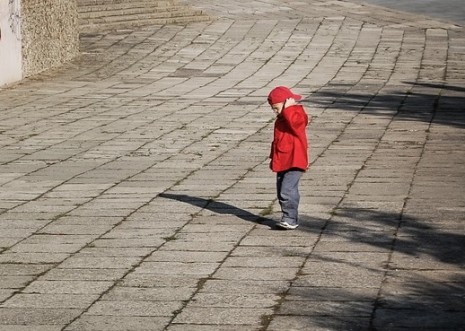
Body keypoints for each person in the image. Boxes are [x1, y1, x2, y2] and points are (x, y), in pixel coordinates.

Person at [267, 86, 309, 230]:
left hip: (295, 161)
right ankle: (288, 216)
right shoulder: (281, 118)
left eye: (276, 108)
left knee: (287, 190)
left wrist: (289, 109)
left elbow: (297, 124)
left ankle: (290, 219)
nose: (275, 111)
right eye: (273, 109)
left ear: (286, 103)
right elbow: (278, 141)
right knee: (281, 191)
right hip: (283, 161)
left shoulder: (296, 114)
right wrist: (274, 158)